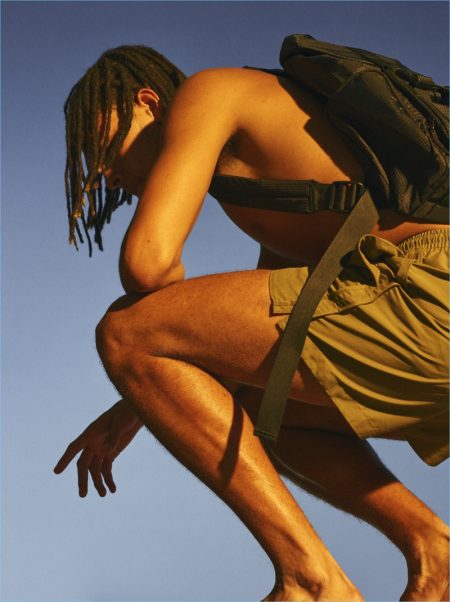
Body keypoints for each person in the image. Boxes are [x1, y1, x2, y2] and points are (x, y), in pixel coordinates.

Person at [54, 44, 449, 601]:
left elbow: (148, 265)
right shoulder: (271, 180)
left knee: (125, 330)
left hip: (429, 292)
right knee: (265, 405)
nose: (105, 173)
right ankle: (434, 553)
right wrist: (135, 408)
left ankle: (311, 582)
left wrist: (137, 358)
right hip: (423, 317)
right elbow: (254, 348)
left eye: (104, 146)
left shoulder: (210, 91)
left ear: (148, 103)